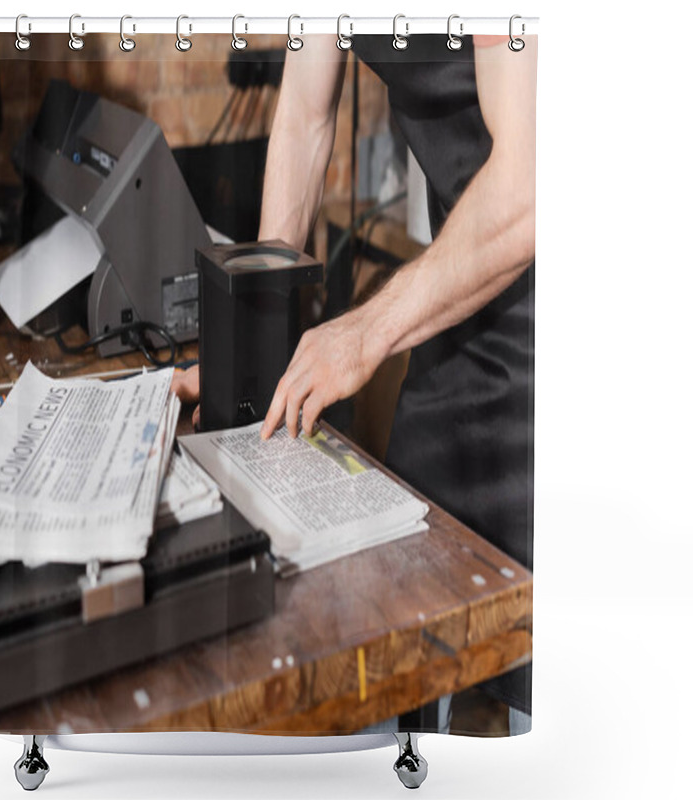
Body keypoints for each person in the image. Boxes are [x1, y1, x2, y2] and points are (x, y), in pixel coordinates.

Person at [173, 33, 536, 734]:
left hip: (550, 310)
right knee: (401, 605)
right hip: (459, 288)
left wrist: (365, 334)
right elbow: (307, 118)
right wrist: (247, 339)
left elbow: (525, 191)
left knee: (529, 663)